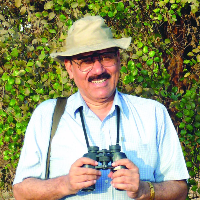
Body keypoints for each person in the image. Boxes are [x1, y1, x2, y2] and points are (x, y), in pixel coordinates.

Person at [13, 16, 189, 200]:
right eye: (86, 61)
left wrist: (145, 190)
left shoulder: (153, 113)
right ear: (69, 68)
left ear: (119, 60)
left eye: (106, 57)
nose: (98, 70)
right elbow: (21, 192)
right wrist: (65, 184)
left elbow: (180, 190)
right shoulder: (47, 115)